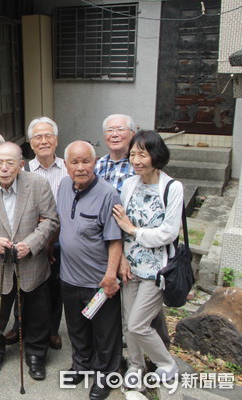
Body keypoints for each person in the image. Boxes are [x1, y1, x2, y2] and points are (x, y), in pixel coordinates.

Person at [0, 142, 59, 380]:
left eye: (10, 162)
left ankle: (36, 355)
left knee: (37, 314)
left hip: (32, 265)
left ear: (21, 164)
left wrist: (32, 243)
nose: (4, 168)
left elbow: (51, 220)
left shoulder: (38, 185)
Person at [112, 131, 182, 388]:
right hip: (130, 267)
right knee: (128, 325)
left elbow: (168, 232)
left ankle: (166, 364)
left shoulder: (172, 187)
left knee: (138, 323)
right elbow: (118, 225)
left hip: (157, 270)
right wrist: (121, 259)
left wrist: (134, 231)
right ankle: (136, 366)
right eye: (132, 154)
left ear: (156, 155)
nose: (136, 160)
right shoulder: (130, 184)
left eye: (142, 154)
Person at [95, 114, 171, 348]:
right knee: (119, 306)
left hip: (145, 255)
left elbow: (163, 226)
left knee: (145, 312)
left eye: (120, 129)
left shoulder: (147, 171)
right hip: (110, 246)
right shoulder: (99, 165)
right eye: (109, 130)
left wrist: (129, 238)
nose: (114, 134)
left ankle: (161, 355)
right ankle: (124, 352)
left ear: (132, 133)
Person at [56, 141, 123, 400]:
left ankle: (106, 375)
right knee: (76, 327)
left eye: (86, 161)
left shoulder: (108, 194)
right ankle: (81, 365)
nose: (81, 167)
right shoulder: (63, 186)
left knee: (105, 333)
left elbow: (115, 239)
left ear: (95, 163)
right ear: (66, 165)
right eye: (75, 162)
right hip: (69, 276)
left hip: (98, 281)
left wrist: (110, 275)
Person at [6, 116, 68, 349]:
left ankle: (51, 330)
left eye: (48, 136)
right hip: (29, 239)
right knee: (22, 285)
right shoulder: (23, 170)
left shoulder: (67, 168)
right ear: (30, 144)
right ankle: (18, 327)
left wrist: (53, 240)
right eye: (38, 137)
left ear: (56, 140)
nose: (43, 141)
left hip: (59, 240)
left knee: (53, 287)